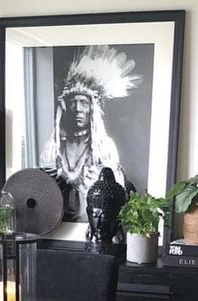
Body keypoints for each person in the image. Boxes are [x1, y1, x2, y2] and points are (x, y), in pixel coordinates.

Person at [41, 45, 141, 221]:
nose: (78, 109)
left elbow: (116, 194)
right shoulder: (53, 147)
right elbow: (39, 190)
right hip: (57, 225)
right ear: (65, 108)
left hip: (95, 224)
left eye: (84, 103)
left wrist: (98, 183)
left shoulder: (105, 147)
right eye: (73, 102)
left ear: (92, 110)